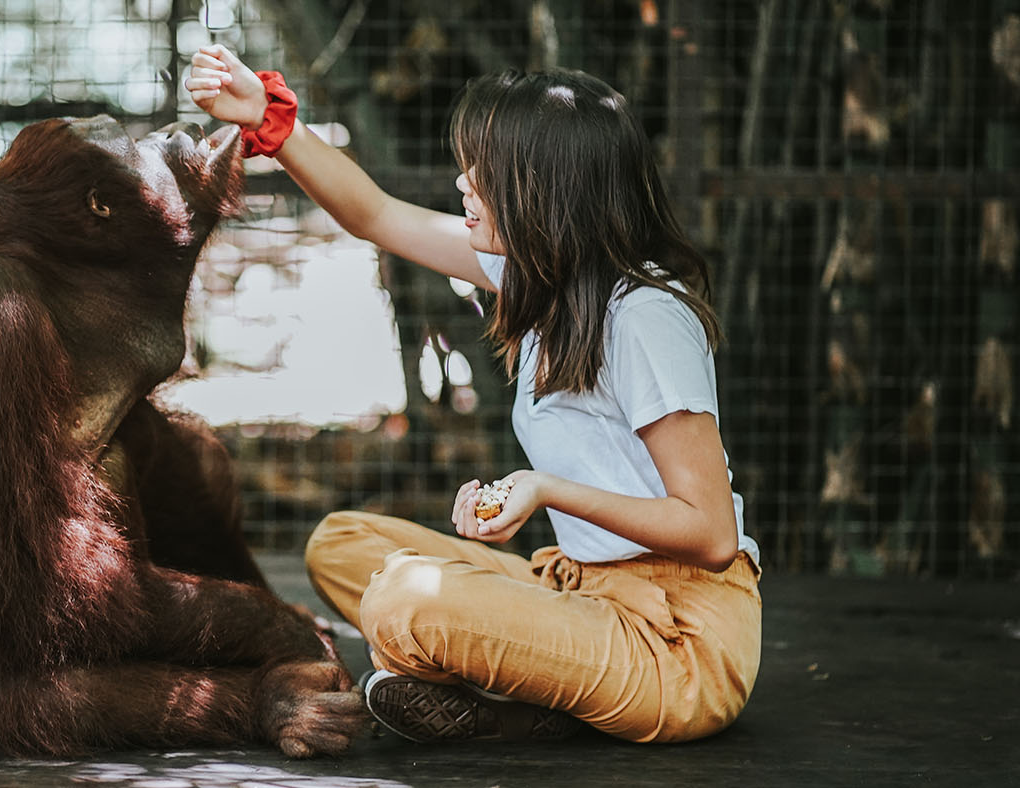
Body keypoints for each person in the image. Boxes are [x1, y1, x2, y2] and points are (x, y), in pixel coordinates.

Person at [186, 45, 762, 745]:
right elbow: (375, 215)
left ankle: (507, 692)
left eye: (482, 170)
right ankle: (533, 690)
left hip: (677, 645)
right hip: (580, 589)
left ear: (541, 187)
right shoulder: (545, 282)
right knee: (342, 544)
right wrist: (270, 124)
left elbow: (709, 535)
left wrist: (544, 489)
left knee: (404, 599)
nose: (464, 182)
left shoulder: (643, 316)